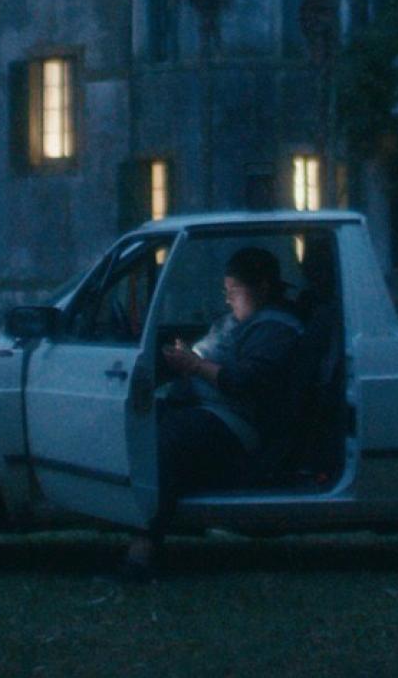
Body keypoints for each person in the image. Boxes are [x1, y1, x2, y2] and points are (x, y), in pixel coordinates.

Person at [121, 246, 306, 581]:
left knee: (167, 443)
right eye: (226, 292)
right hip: (204, 406)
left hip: (235, 422)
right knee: (139, 423)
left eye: (234, 292)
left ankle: (143, 550)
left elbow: (245, 382)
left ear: (262, 288)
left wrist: (192, 364)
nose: (228, 300)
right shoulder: (238, 322)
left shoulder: (276, 328)